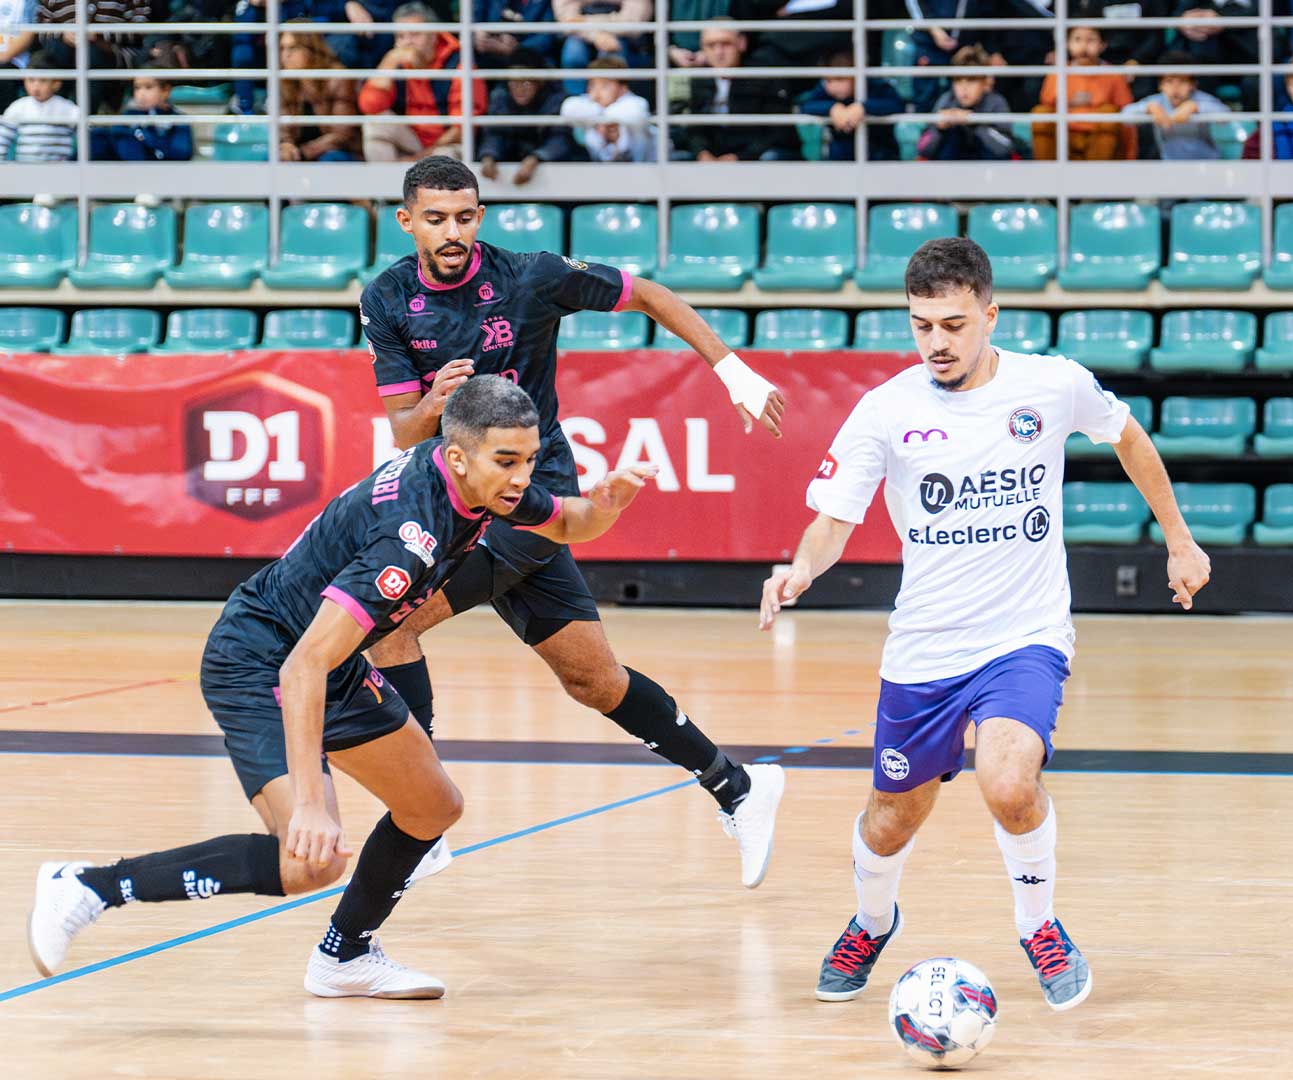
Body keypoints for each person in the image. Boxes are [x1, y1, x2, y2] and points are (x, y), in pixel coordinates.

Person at [28, 376, 660, 997]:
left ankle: (345, 956)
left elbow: (570, 523)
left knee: (433, 807)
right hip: (261, 661)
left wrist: (607, 505)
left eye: (530, 458)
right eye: (509, 461)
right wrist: (308, 802)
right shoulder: (408, 538)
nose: (523, 477)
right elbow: (302, 666)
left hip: (333, 661)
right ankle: (88, 886)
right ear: (460, 455)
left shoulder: (478, 480)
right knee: (310, 860)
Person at [759, 236, 1211, 1011]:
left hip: (1024, 636)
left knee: (1008, 783)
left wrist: (1179, 537)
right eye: (921, 324)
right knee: (891, 820)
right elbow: (833, 520)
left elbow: (1128, 438)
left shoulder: (1052, 385)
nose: (936, 342)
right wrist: (801, 568)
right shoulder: (885, 411)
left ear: (990, 315)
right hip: (926, 646)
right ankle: (873, 920)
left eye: (954, 325)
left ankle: (1038, 926)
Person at [359, 156, 789, 888]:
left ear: (480, 217)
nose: (453, 230)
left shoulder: (527, 275)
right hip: (452, 500)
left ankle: (421, 814)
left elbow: (647, 293)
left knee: (390, 624)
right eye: (436, 219)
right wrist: (436, 403)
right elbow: (404, 429)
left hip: (534, 497)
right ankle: (737, 786)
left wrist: (730, 367)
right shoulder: (388, 297)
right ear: (408, 222)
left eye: (465, 216)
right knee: (594, 680)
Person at [357, 1, 485, 164]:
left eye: (415, 34)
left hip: (447, 145)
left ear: (434, 35)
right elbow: (370, 107)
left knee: (444, 156)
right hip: (414, 138)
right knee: (374, 124)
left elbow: (461, 130)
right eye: (401, 36)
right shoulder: (398, 61)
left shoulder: (458, 62)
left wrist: (418, 159)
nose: (408, 42)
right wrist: (389, 60)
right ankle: (386, 187)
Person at [672, 22, 799, 162]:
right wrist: (702, 153)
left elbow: (778, 131)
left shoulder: (763, 74)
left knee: (771, 158)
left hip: (755, 156)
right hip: (715, 156)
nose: (718, 52)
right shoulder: (700, 79)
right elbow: (695, 128)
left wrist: (739, 157)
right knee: (674, 159)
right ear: (702, 49)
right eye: (711, 45)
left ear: (741, 43)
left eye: (725, 44)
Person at [1030, 24, 1135, 162]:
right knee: (1040, 113)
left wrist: (1130, 159)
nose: (1083, 46)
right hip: (1063, 137)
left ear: (1103, 45)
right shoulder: (1057, 73)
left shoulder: (1114, 75)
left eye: (1091, 40)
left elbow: (1128, 117)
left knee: (1109, 112)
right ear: (1067, 43)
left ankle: (1095, 178)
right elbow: (1046, 106)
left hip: (1101, 141)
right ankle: (1045, 175)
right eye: (1077, 39)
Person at [479, 51, 576, 182]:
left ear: (539, 82)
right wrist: (489, 155)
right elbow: (495, 133)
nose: (519, 89)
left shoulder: (556, 100)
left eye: (526, 83)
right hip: (511, 166)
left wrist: (536, 158)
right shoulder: (501, 97)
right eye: (514, 83)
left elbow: (560, 138)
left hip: (553, 170)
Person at [914, 44, 1018, 162]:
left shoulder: (996, 102)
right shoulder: (947, 100)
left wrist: (974, 123)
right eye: (958, 81)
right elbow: (922, 149)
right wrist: (938, 129)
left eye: (971, 81)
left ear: (985, 82)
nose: (964, 88)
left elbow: (1006, 148)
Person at [1120, 50, 1229, 161]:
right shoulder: (1157, 101)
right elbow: (1125, 115)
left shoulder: (1200, 99)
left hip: (1206, 163)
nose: (1175, 88)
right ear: (1160, 85)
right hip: (1170, 163)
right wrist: (1148, 107)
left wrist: (1196, 106)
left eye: (1182, 81)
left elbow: (1225, 115)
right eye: (1169, 81)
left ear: (1193, 85)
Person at [796, 51, 904, 162]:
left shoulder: (875, 86)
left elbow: (896, 105)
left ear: (856, 78)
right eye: (828, 80)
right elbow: (807, 106)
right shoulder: (826, 93)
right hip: (842, 159)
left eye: (840, 79)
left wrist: (863, 108)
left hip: (881, 157)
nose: (834, 86)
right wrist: (832, 108)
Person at [277, 25, 363, 162]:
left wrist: (303, 152)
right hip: (301, 153)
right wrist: (287, 146)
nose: (286, 55)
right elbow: (284, 130)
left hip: (339, 152)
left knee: (329, 160)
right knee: (269, 159)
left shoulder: (338, 78)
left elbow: (342, 135)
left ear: (311, 49)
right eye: (282, 48)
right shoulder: (285, 81)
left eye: (293, 48)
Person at [560, 55, 653, 162]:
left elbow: (636, 113)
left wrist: (604, 119)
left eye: (605, 85)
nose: (597, 92)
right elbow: (568, 109)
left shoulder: (635, 103)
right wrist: (603, 118)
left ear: (623, 89)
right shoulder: (588, 105)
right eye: (592, 85)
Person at [554, 0, 650, 95]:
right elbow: (566, 18)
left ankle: (612, 104)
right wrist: (595, 35)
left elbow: (634, 18)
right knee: (574, 53)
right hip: (581, 34)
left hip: (622, 34)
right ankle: (579, 101)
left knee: (612, 54)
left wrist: (587, 23)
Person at [102, 61, 191, 161]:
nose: (141, 94)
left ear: (166, 90)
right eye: (137, 88)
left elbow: (182, 153)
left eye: (148, 87)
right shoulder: (127, 117)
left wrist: (146, 137)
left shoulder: (178, 119)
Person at [0, 50, 78, 162]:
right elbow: (2, 139)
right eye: (31, 80)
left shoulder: (68, 109)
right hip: (26, 168)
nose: (36, 86)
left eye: (43, 80)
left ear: (56, 83)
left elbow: (85, 137)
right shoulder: (18, 107)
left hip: (60, 171)